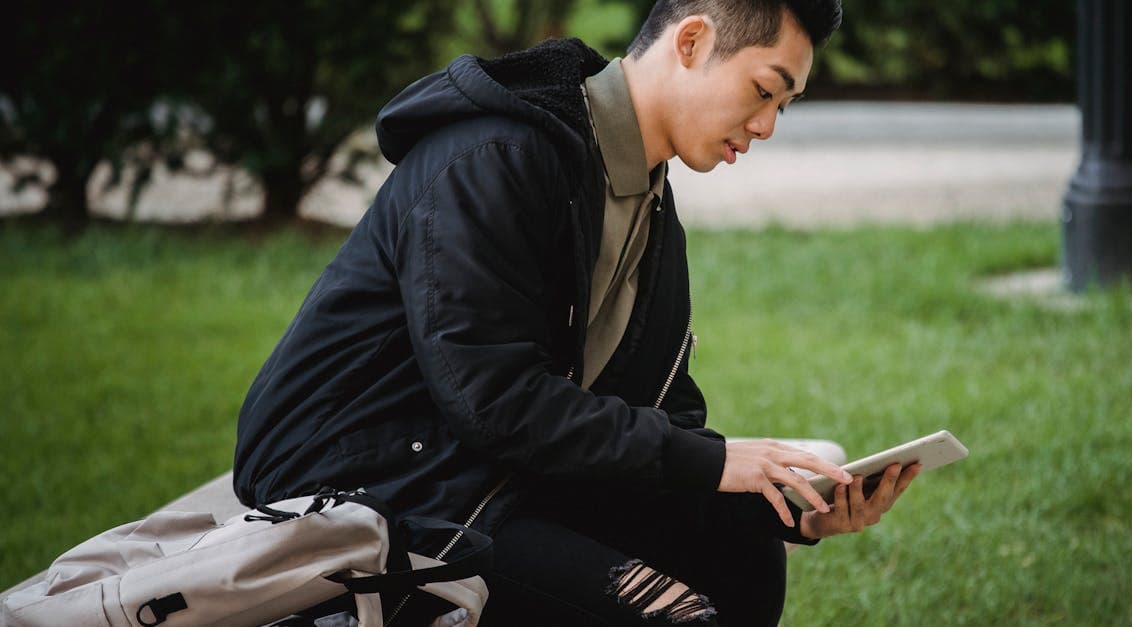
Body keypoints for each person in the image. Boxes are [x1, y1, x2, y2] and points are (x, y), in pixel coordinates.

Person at [233, 1, 920, 625]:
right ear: (690, 41)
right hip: (371, 480)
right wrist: (711, 461)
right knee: (666, 613)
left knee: (744, 548)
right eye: (764, 90)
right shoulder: (495, 156)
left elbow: (660, 413)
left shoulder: (644, 197)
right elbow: (492, 398)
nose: (767, 124)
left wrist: (796, 508)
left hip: (490, 468)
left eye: (784, 105)